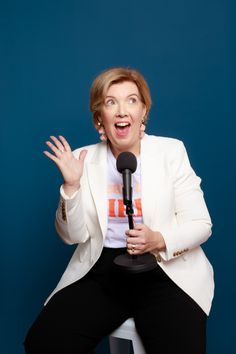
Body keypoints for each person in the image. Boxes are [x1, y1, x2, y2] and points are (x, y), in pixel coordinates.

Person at [24, 67, 214, 354]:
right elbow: (71, 236)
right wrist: (71, 186)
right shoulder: (82, 159)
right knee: (44, 343)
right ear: (100, 118)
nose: (122, 110)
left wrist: (159, 239)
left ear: (143, 113)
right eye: (111, 102)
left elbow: (202, 223)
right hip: (103, 270)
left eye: (132, 100)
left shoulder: (170, 152)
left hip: (164, 269)